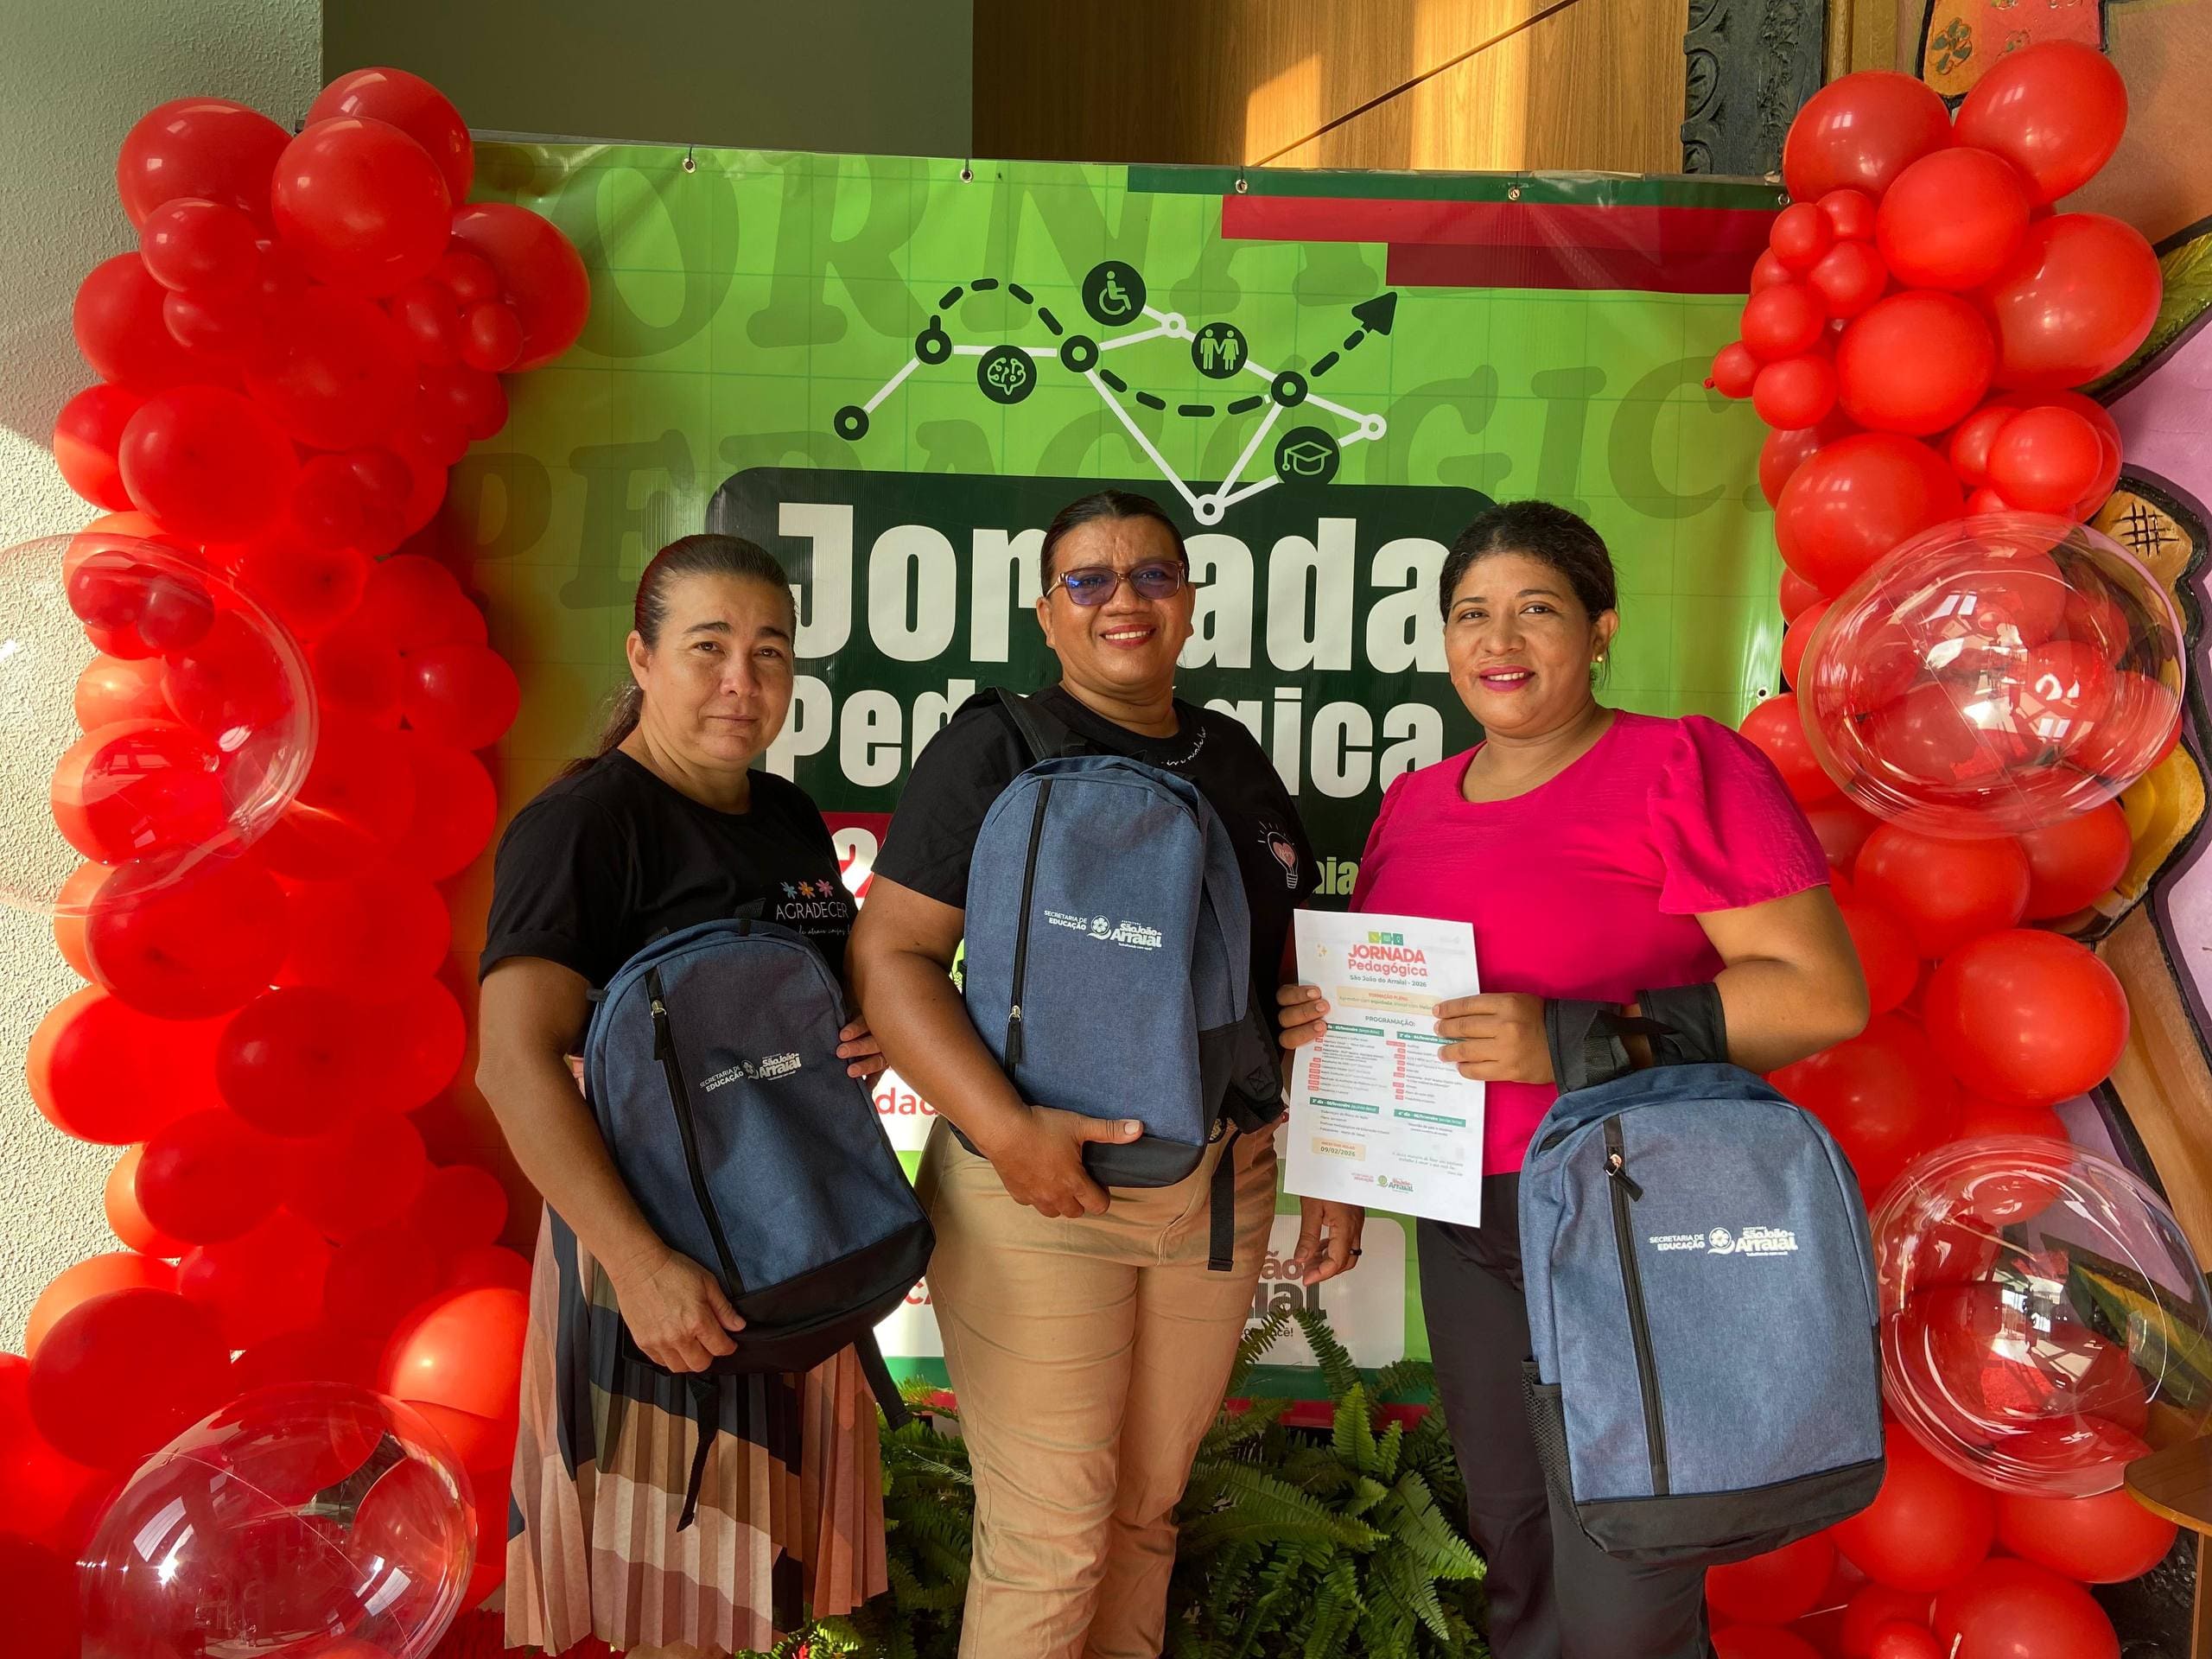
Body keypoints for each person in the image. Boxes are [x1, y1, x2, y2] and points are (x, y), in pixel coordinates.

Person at [1278, 501, 1869, 1659]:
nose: (1499, 641)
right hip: (1468, 1219)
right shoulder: (1413, 804)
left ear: (1600, 631)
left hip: (1632, 1216)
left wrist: (1576, 1040)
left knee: (1624, 1581)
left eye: (1536, 609)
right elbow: (1386, 1010)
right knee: (1517, 1554)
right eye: (1471, 615)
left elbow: (1819, 996)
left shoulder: (1680, 764)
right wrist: (1338, 1151)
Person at [848, 489, 1362, 1659]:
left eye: (1152, 575)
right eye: (1089, 579)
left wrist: (1312, 1089)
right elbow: (891, 959)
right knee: (1050, 1542)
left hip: (1219, 1188)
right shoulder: (994, 750)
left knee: (1142, 1517)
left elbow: (1280, 971)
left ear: (1188, 601)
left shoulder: (1233, 759)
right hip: (1042, 1196)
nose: (1123, 599)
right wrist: (1008, 1132)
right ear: (1048, 612)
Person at [477, 533, 891, 1659]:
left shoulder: (788, 816)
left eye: (770, 652)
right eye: (708, 646)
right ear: (642, 658)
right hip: (660, 1261)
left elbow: (810, 1011)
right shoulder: (586, 826)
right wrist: (637, 1266)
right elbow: (512, 1065)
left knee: (758, 1600)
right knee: (675, 1606)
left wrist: (862, 1040)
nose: (740, 682)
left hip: (792, 1232)